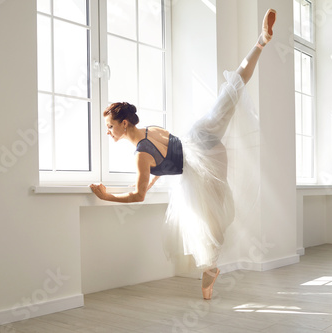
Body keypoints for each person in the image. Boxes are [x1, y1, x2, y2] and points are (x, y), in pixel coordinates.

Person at [91, 8, 276, 300]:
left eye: (109, 126)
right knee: (230, 92)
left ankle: (211, 271)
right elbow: (161, 162)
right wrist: (152, 179)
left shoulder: (140, 155)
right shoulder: (150, 130)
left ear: (123, 123)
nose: (108, 131)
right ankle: (260, 43)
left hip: (198, 166)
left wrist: (108, 196)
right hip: (200, 137)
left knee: (210, 228)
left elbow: (139, 195)